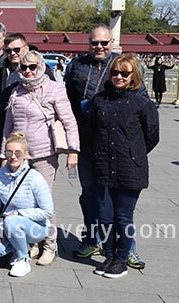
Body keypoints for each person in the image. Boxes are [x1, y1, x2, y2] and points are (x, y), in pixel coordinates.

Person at [64, 24, 148, 269]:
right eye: (94, 43)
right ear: (88, 43)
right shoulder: (76, 66)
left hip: (119, 146)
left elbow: (143, 109)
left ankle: (127, 249)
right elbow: (67, 104)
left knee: (120, 201)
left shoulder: (123, 65)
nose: (99, 47)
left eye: (104, 43)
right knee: (91, 194)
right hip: (87, 143)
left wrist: (135, 146)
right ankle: (92, 238)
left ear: (112, 42)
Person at [1, 50, 79, 266]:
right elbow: (8, 127)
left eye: (32, 67)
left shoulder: (54, 89)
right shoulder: (16, 91)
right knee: (24, 201)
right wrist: (4, 154)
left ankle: (50, 243)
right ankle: (34, 241)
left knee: (44, 201)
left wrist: (73, 150)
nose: (27, 71)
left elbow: (69, 121)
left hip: (44, 154)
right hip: (19, 156)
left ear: (41, 67)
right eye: (23, 67)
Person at [91, 54, 159, 279]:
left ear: (134, 76)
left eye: (124, 73)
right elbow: (93, 132)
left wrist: (133, 153)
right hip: (103, 165)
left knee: (123, 217)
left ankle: (121, 259)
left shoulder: (142, 103)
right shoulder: (100, 100)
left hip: (130, 168)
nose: (119, 77)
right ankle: (109, 255)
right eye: (115, 73)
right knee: (104, 216)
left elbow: (152, 136)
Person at [0, 33, 54, 170]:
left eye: (17, 49)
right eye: (8, 50)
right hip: (5, 142)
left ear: (26, 48)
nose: (13, 53)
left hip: (38, 145)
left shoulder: (43, 72)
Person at [0, 132, 54, 277]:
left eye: (18, 152)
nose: (13, 156)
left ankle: (23, 258)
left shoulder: (35, 178)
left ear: (26, 154)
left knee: (11, 221)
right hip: (8, 225)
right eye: (9, 152)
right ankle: (17, 247)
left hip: (37, 226)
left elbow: (48, 211)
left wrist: (18, 214)